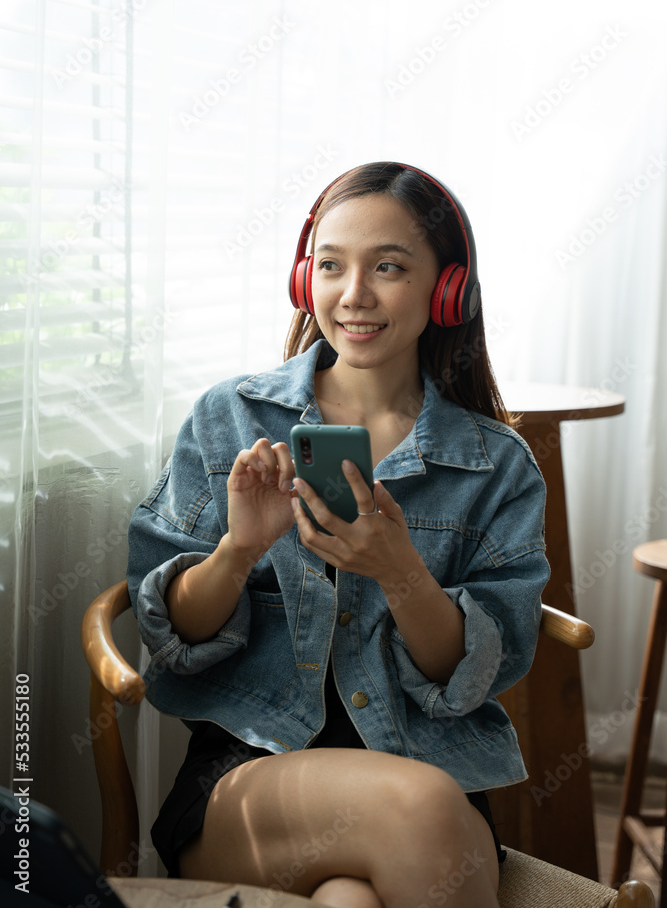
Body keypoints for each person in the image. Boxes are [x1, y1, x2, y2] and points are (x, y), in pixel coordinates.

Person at [126, 161, 550, 908]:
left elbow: (474, 676)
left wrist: (402, 574)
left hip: (425, 773)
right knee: (418, 808)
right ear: (304, 281)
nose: (353, 295)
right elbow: (174, 641)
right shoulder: (230, 418)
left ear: (446, 289)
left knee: (349, 901)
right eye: (330, 267)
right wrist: (239, 550)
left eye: (388, 267)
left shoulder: (496, 466)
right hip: (247, 781)